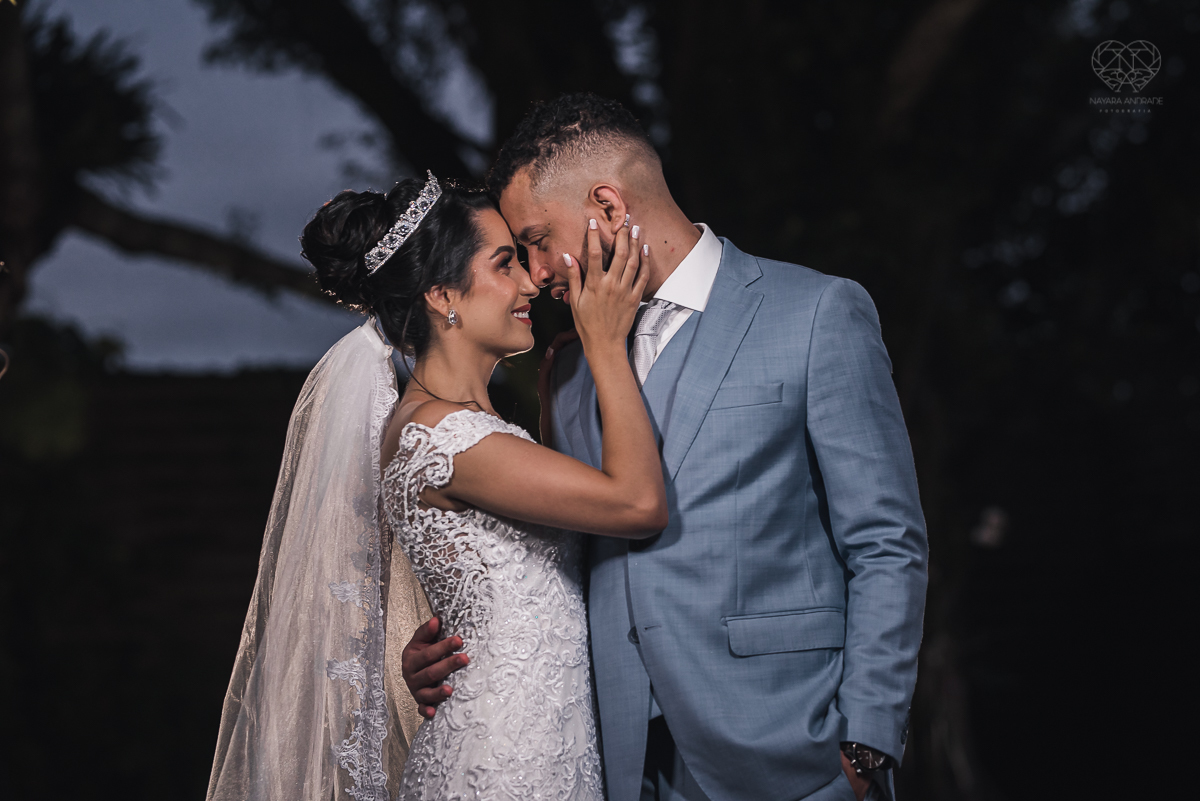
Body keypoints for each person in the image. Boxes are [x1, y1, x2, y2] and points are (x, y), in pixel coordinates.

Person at [402, 94, 929, 801]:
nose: (533, 272)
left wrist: (866, 739)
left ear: (610, 209)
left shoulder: (816, 314)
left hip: (792, 752)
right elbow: (559, 556)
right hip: (619, 761)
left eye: (533, 238)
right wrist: (450, 646)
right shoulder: (570, 368)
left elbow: (886, 540)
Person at [206, 172, 665, 801]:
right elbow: (637, 503)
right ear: (442, 294)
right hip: (508, 764)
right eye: (506, 264)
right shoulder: (445, 440)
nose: (533, 281)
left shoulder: (469, 428)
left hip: (532, 743)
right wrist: (606, 344)